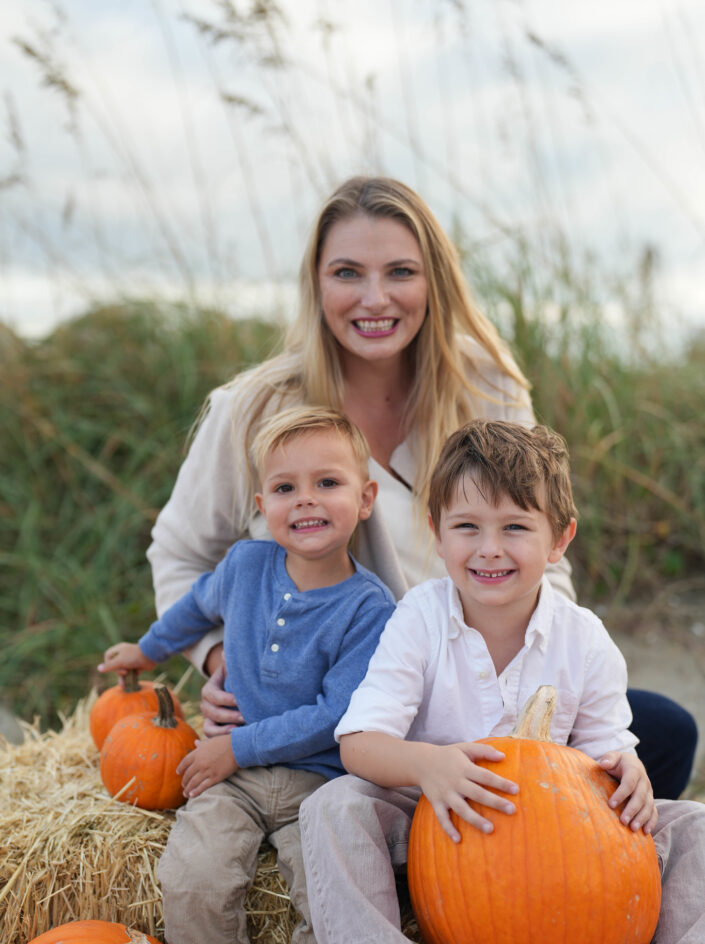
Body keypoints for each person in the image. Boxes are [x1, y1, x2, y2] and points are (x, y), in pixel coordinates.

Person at [146, 175, 696, 805]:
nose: (374, 298)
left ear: (434, 279)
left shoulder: (487, 387)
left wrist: (541, 682)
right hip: (332, 702)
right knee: (344, 804)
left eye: (400, 272)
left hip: (466, 675)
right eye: (347, 273)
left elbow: (538, 541)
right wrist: (222, 660)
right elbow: (180, 556)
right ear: (317, 283)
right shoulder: (252, 407)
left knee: (662, 734)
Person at [298, 420, 705, 944]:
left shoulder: (584, 637)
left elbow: (608, 749)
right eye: (467, 527)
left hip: (553, 842)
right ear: (435, 534)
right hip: (437, 822)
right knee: (330, 808)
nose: (489, 549)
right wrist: (427, 765)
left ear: (558, 539)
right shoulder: (421, 618)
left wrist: (630, 771)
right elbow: (359, 742)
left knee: (698, 825)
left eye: (515, 527)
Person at [99, 406, 396, 944]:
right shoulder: (244, 567)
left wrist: (234, 745)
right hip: (232, 781)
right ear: (261, 503)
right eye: (286, 488)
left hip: (319, 782)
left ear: (365, 497)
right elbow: (193, 607)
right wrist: (146, 653)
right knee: (193, 876)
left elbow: (334, 712)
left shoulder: (369, 608)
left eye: (328, 483)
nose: (306, 500)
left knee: (329, 899)